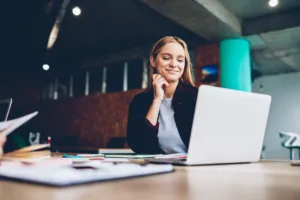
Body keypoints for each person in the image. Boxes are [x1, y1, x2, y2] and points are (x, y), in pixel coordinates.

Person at [126, 36, 198, 154]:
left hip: (196, 167)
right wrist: (157, 100)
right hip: (159, 167)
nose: (174, 64)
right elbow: (140, 146)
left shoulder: (197, 97)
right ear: (153, 61)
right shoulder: (139, 101)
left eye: (180, 60)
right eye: (166, 58)